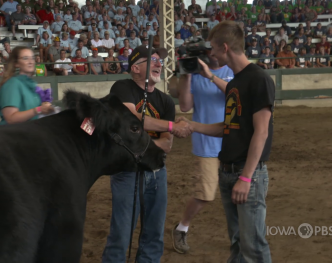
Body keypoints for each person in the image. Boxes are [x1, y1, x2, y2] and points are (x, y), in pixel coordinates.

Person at [176, 20, 274, 263]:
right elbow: (228, 127)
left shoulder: (257, 79)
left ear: (225, 48)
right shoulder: (235, 83)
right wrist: (192, 125)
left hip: (244, 173)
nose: (210, 52)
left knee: (253, 246)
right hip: (229, 171)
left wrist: (245, 177)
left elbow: (261, 132)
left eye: (212, 47)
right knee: (239, 244)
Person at [102, 44, 192, 263]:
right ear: (135, 68)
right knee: (121, 236)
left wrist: (136, 142)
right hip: (127, 173)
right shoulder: (122, 88)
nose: (158, 64)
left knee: (153, 235)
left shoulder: (166, 101)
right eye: (152, 60)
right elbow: (133, 119)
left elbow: (167, 146)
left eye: (160, 61)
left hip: (156, 172)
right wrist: (170, 126)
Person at [171, 41, 234, 254]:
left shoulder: (232, 71)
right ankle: (182, 227)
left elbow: (235, 95)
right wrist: (187, 74)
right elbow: (186, 106)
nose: (211, 54)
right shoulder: (194, 75)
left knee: (236, 194)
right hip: (206, 142)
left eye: (212, 49)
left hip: (233, 142)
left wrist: (210, 76)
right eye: (207, 51)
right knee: (205, 193)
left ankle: (238, 236)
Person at [0, 46, 54, 125]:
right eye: (25, 58)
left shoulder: (31, 84)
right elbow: (10, 118)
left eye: (32, 58)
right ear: (16, 63)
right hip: (13, 135)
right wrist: (39, 109)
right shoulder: (12, 84)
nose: (31, 61)